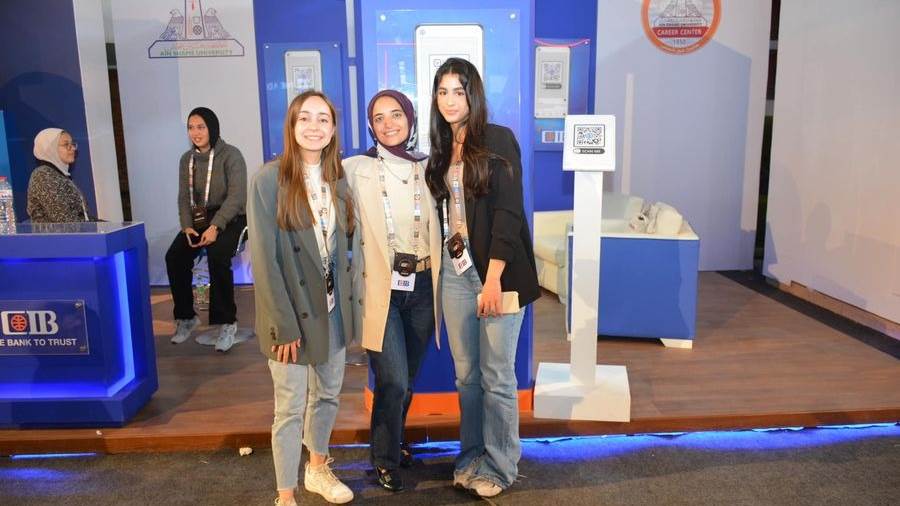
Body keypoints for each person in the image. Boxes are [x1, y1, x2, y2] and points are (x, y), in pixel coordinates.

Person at [424, 57, 540, 498]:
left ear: (473, 94)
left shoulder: (498, 138)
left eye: (459, 91)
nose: (450, 100)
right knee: (467, 376)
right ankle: (471, 455)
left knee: (497, 376)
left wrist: (493, 280)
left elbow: (509, 214)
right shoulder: (440, 148)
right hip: (456, 275)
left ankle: (501, 464)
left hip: (497, 274)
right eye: (443, 92)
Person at [248, 90, 356, 506]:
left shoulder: (338, 179)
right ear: (291, 126)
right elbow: (264, 259)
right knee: (290, 408)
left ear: (333, 129)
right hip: (289, 314)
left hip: (331, 310)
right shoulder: (268, 179)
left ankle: (317, 469)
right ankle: (285, 494)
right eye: (305, 118)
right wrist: (283, 323)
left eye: (323, 119)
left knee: (327, 395)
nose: (314, 127)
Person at [343, 90, 441, 491]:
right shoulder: (355, 168)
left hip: (423, 285)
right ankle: (384, 458)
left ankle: (394, 440)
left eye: (396, 115)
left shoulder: (430, 167)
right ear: (371, 126)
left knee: (407, 378)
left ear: (410, 119)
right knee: (394, 379)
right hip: (380, 287)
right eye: (379, 118)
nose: (388, 124)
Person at [165, 107, 247, 352]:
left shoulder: (231, 155)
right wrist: (187, 227)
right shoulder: (187, 159)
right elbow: (183, 198)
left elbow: (236, 197)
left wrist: (215, 226)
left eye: (201, 127)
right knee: (174, 256)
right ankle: (186, 317)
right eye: (191, 127)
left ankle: (227, 323)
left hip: (231, 217)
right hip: (199, 217)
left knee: (217, 254)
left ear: (212, 127)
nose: (196, 132)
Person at [27, 128, 91, 223]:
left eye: (72, 144)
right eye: (66, 145)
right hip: (58, 233)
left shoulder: (61, 174)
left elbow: (81, 217)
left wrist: (105, 225)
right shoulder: (43, 175)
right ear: (50, 148)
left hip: (75, 231)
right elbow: (64, 219)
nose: (73, 148)